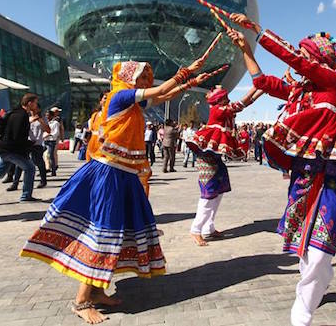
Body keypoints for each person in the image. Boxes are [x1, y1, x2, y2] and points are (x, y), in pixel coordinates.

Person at [21, 55, 214, 324]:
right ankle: (81, 301)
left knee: (116, 231)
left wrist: (190, 82)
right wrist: (184, 75)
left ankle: (97, 290)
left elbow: (158, 98)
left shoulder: (131, 104)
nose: (144, 82)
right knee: (103, 231)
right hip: (108, 173)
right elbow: (158, 91)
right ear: (127, 78)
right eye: (140, 78)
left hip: (122, 174)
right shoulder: (119, 97)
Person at [227, 15, 336, 326]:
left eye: (307, 54)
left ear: (319, 59)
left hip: (330, 175)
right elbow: (262, 82)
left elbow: (294, 60)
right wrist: (246, 48)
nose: (301, 59)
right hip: (303, 175)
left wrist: (257, 29)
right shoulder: (299, 92)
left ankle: (302, 313)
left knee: (320, 246)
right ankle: (316, 285)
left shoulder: (330, 82)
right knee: (304, 247)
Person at [186, 85, 261, 246]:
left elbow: (244, 104)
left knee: (219, 191)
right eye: (224, 98)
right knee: (209, 193)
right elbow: (241, 104)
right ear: (218, 99)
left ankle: (208, 228)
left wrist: (262, 90)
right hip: (206, 158)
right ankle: (195, 229)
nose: (228, 101)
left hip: (216, 159)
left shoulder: (225, 110)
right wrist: (257, 86)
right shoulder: (217, 110)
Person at [7, 101, 50, 191]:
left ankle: (43, 180)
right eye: (32, 108)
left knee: (39, 162)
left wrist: (40, 120)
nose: (33, 110)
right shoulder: (26, 117)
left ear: (38, 109)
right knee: (19, 164)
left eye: (35, 108)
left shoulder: (43, 118)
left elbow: (48, 130)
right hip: (26, 143)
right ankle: (15, 183)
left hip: (37, 144)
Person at [85, 93, 107, 162]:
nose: (107, 100)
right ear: (100, 101)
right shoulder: (95, 115)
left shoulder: (113, 115)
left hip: (106, 146)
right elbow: (90, 130)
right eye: (105, 98)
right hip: (93, 145)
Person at [43, 108, 63, 177]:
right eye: (46, 115)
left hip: (51, 141)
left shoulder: (56, 123)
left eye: (48, 115)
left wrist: (49, 134)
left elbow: (56, 133)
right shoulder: (45, 123)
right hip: (45, 141)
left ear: (52, 116)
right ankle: (45, 168)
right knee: (43, 155)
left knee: (51, 156)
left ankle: (53, 170)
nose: (47, 117)